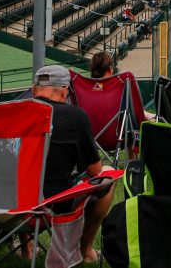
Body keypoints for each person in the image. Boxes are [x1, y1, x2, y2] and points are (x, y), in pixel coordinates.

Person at [31, 65, 113, 265]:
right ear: (64, 90)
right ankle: (85, 250)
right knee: (108, 176)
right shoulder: (74, 116)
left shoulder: (12, 113)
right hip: (49, 204)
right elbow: (95, 171)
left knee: (23, 176)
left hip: (4, 205)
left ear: (34, 90)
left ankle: (27, 249)